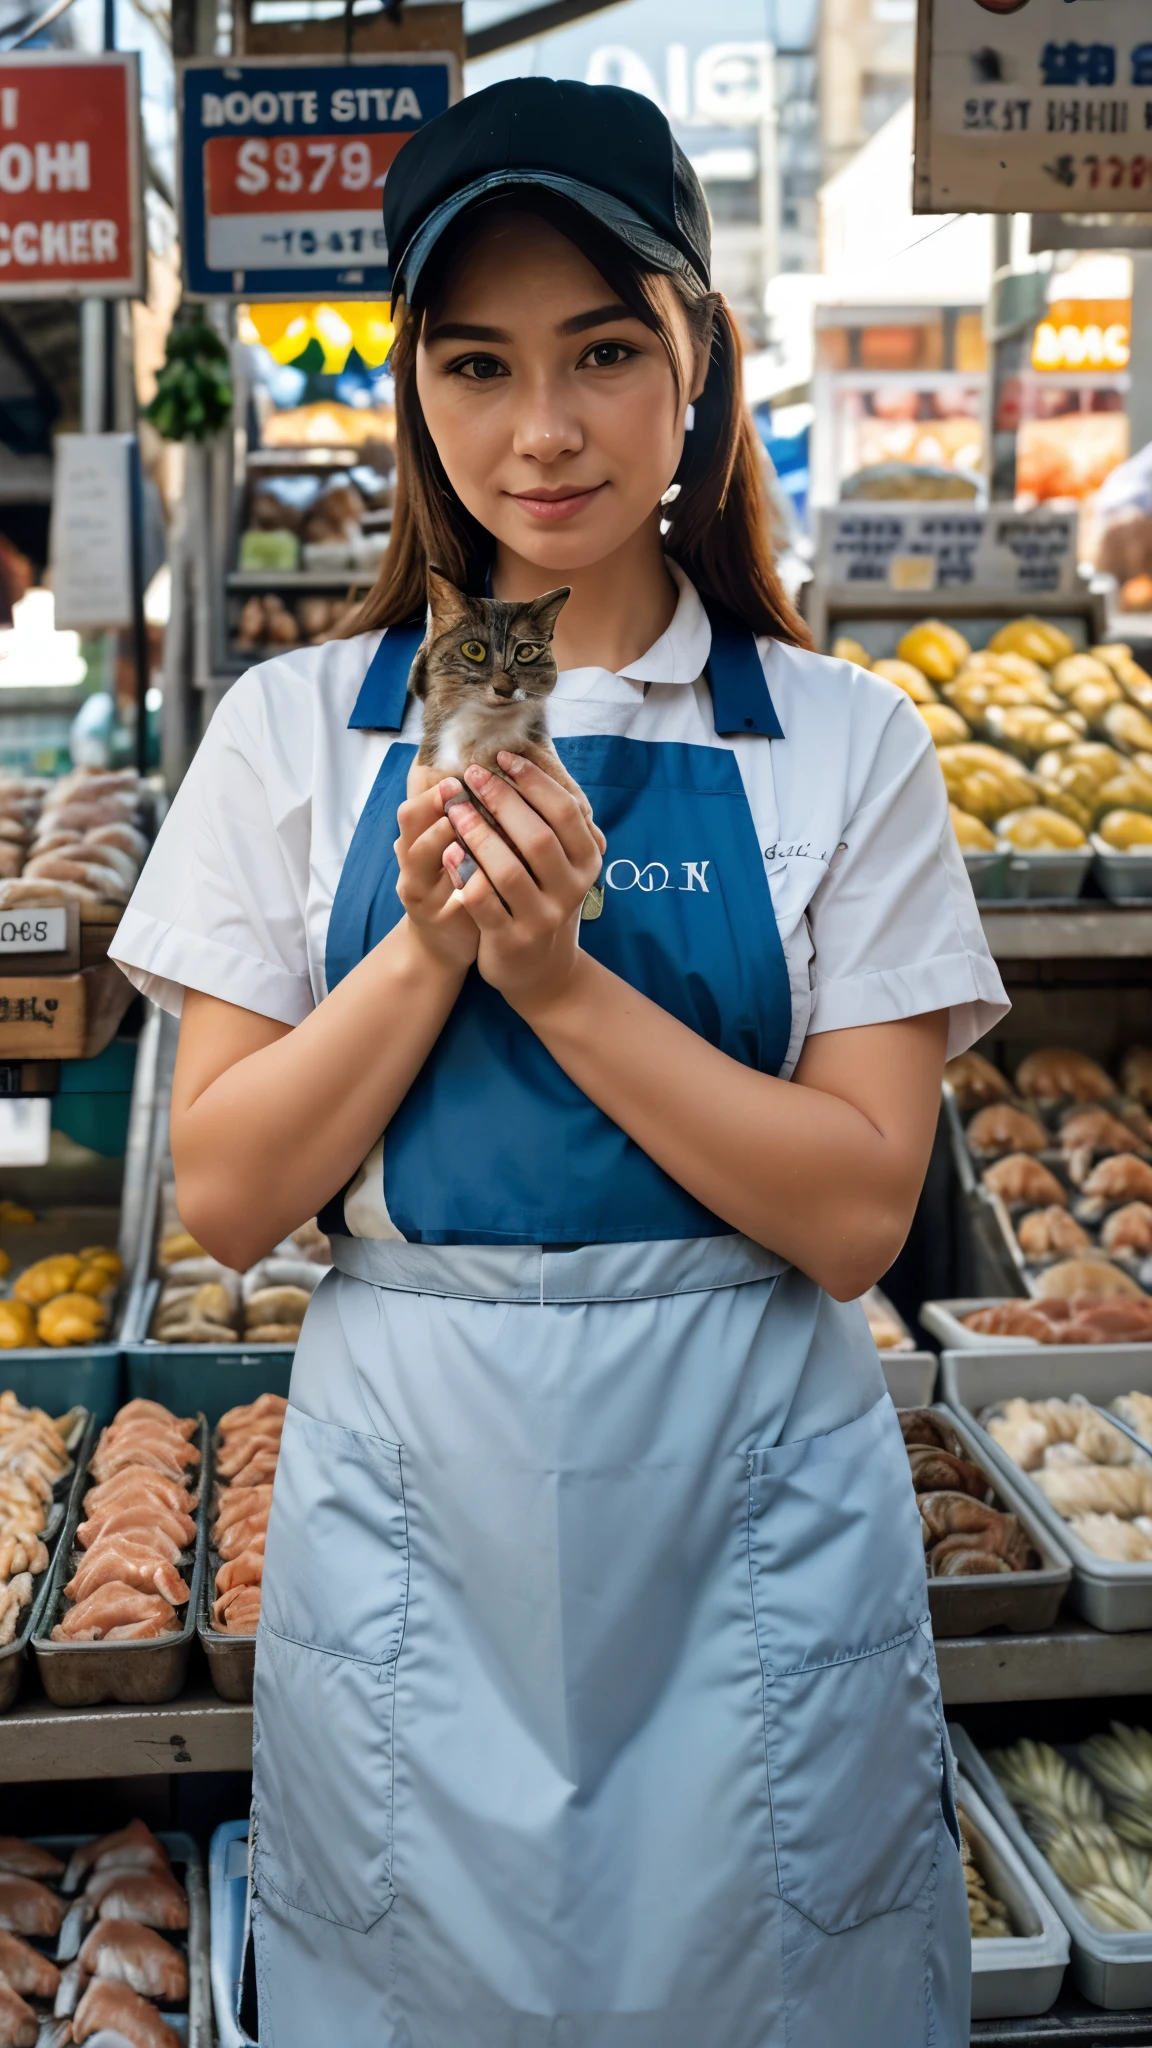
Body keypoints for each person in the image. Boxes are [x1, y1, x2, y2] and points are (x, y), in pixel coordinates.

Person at [111, 77, 1008, 2048]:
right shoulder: (292, 734)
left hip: (746, 1493)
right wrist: (432, 951)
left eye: (606, 351)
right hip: (418, 1489)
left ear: (697, 355)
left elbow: (861, 1214)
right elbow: (238, 1197)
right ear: (416, 388)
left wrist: (567, 982)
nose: (545, 429)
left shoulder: (847, 743)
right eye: (480, 361)